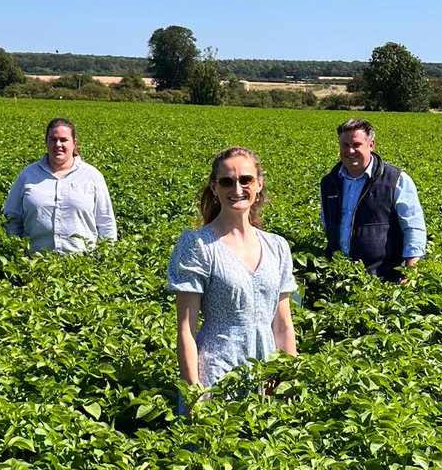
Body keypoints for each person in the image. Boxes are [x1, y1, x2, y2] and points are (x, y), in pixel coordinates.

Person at [167, 147, 298, 402]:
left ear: (259, 184)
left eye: (245, 180)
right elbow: (186, 331)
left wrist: (289, 383)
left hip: (267, 372)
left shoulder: (277, 246)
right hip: (216, 374)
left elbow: (282, 325)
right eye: (227, 181)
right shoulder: (198, 245)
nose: (237, 189)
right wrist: (194, 392)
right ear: (214, 188)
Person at [320, 118, 426, 282]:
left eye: (356, 145)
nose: (351, 151)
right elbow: (327, 224)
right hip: (338, 278)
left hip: (383, 279)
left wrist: (410, 272)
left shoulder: (395, 179)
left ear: (371, 145)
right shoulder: (329, 182)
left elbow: (413, 227)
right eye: (345, 145)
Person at [4, 118, 117, 253]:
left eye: (64, 140)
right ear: (46, 142)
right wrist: (17, 251)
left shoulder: (91, 176)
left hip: (83, 264)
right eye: (52, 139)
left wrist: (106, 258)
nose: (58, 144)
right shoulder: (28, 175)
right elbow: (11, 218)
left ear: (74, 143)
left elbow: (106, 222)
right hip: (35, 263)